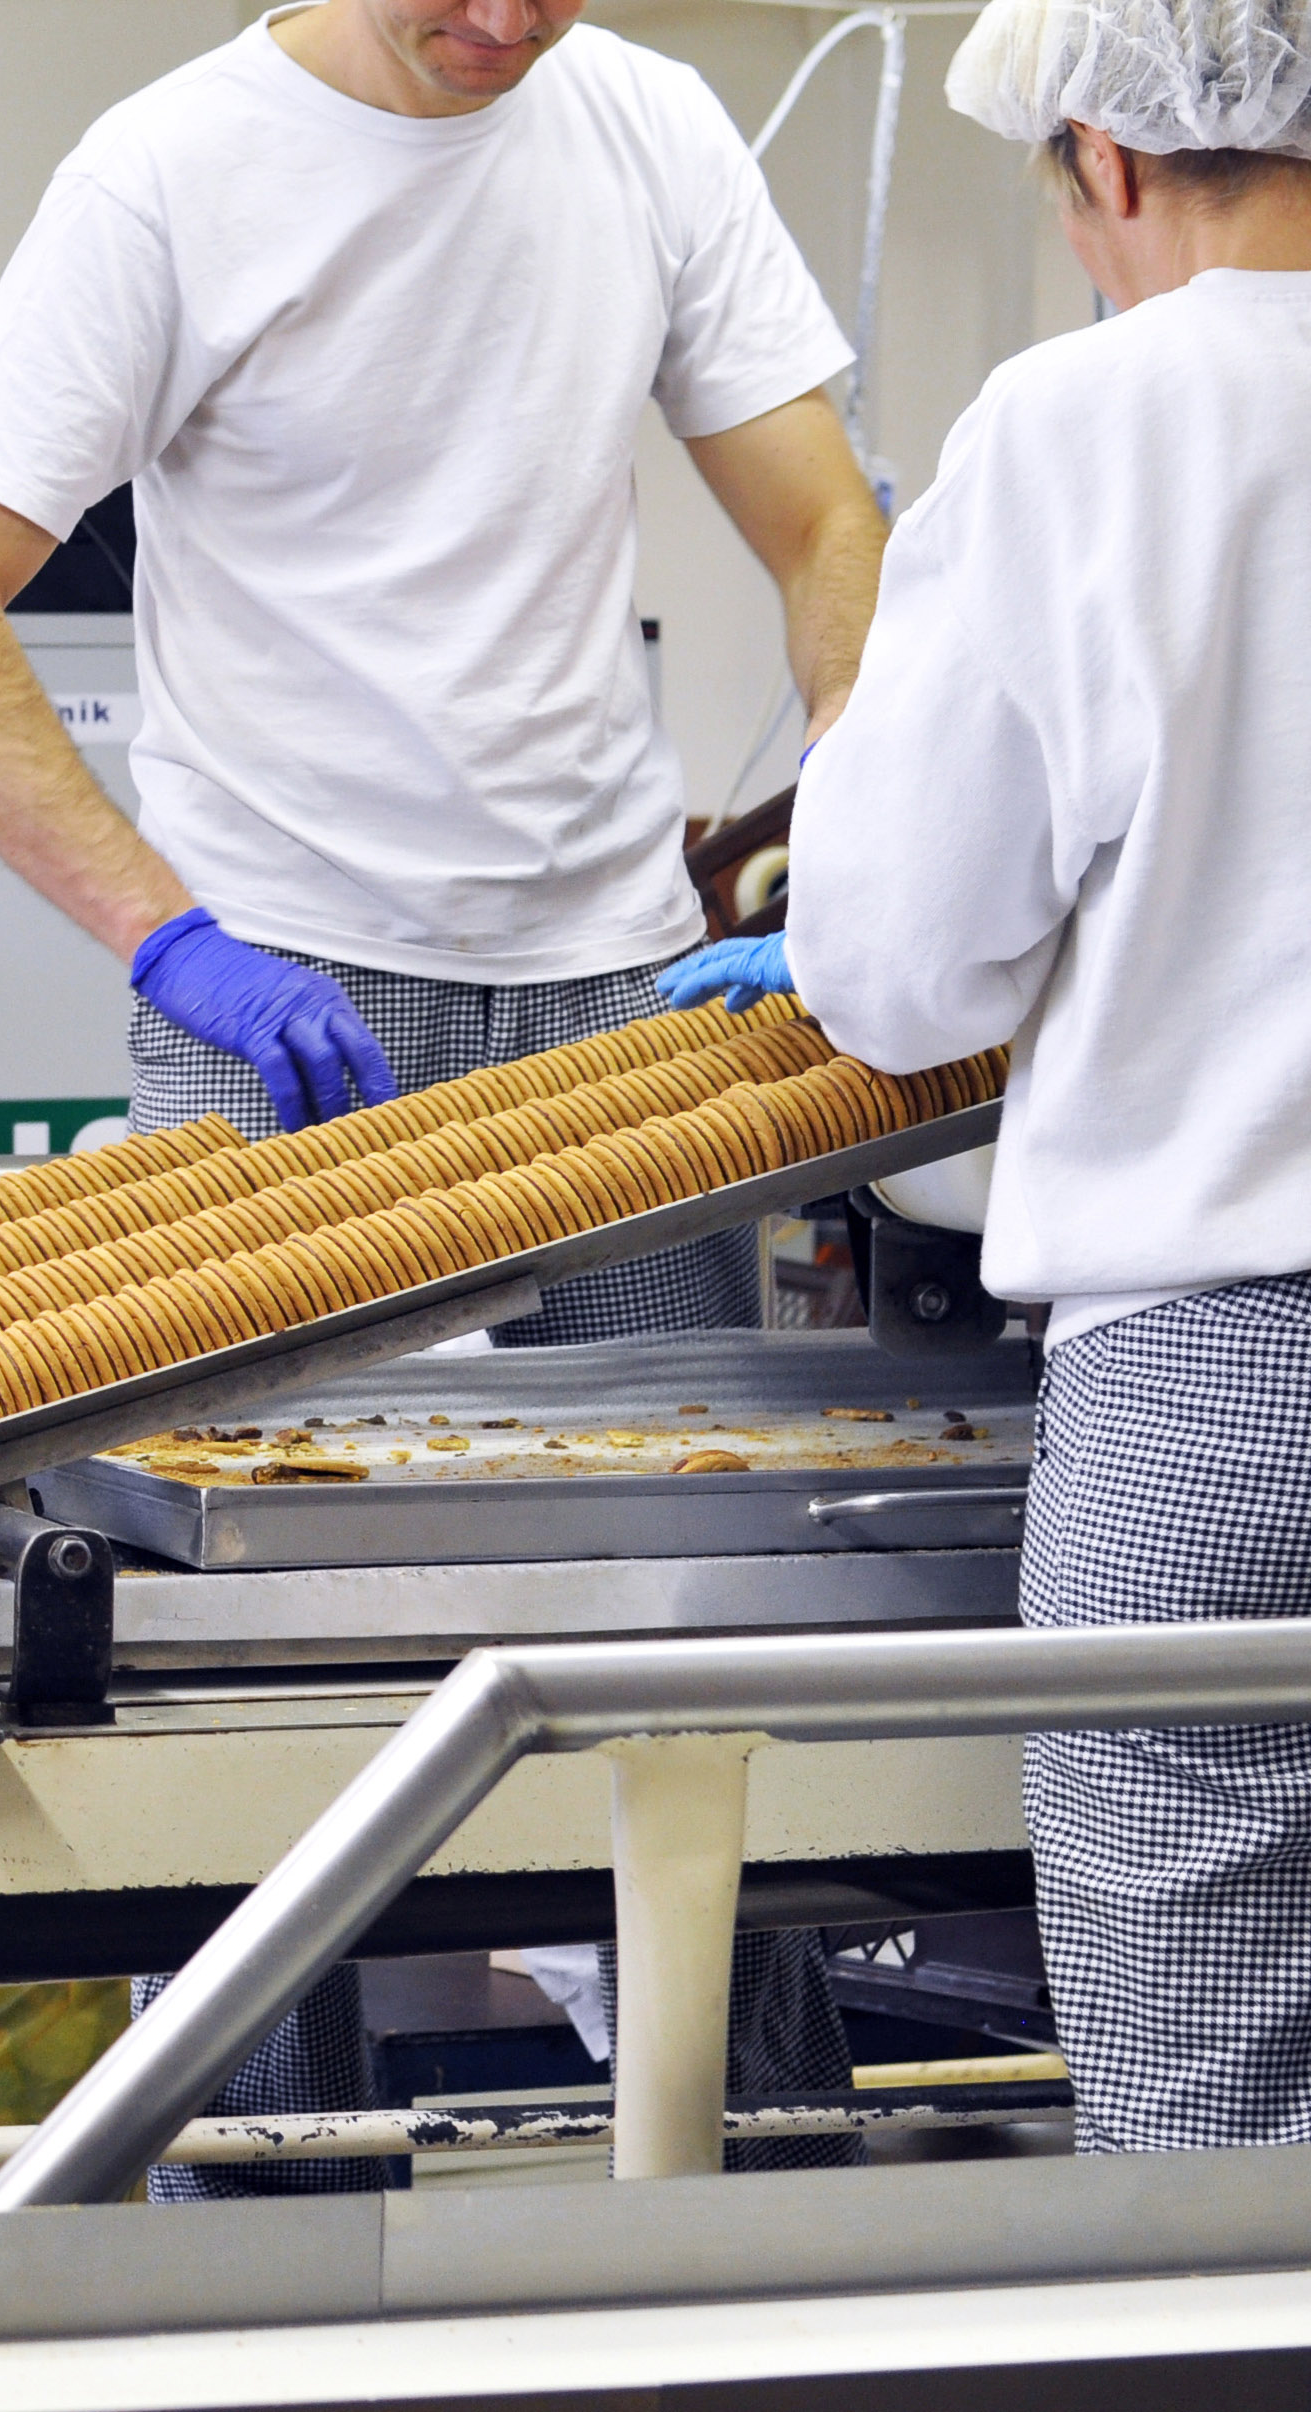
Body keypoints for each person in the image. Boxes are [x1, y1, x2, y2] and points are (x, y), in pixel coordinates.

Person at [0, 0, 893, 2193]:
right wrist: (168, 939)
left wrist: (865, 852)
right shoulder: (163, 174)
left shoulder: (646, 127)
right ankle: (252, 2210)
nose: (505, 25)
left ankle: (761, 2180)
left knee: (687, 1599)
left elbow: (820, 524)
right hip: (278, 1001)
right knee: (246, 1645)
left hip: (618, 989)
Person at [659, 0, 1311, 2155]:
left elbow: (900, 956)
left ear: (1101, 160)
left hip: (1221, 1395)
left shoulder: (1085, 428)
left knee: (1202, 2139)